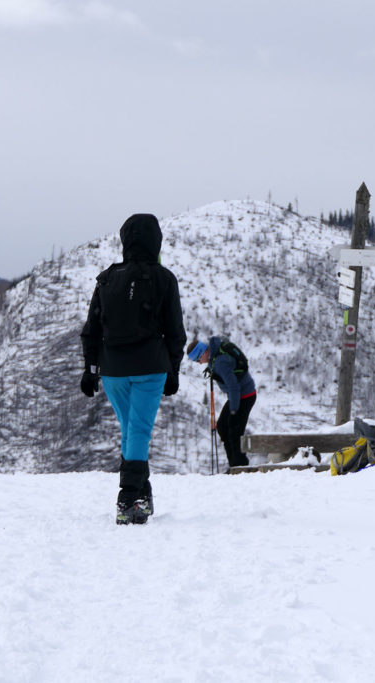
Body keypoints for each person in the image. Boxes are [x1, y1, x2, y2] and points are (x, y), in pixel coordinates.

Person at [80, 213, 186, 525]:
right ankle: (129, 498)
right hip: (150, 367)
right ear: (156, 241)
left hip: (112, 371)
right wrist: (174, 370)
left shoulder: (106, 278)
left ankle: (143, 491)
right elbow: (175, 333)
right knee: (138, 430)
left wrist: (90, 369)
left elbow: (91, 330)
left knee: (131, 429)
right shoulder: (164, 279)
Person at [187, 336, 256, 469]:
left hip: (244, 396)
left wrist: (234, 409)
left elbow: (234, 386)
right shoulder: (214, 358)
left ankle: (240, 468)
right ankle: (234, 466)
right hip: (237, 396)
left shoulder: (219, 362)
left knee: (234, 431)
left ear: (203, 353)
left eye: (198, 359)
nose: (199, 363)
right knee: (223, 427)